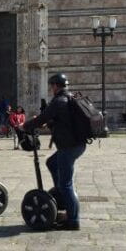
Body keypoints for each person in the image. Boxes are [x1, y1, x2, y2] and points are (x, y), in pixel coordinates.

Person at [20, 73, 85, 231]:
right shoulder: (69, 98)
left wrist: (25, 126)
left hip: (68, 147)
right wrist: (47, 122)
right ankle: (62, 195)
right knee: (51, 162)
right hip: (77, 145)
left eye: (52, 86)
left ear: (55, 86)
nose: (51, 89)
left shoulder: (59, 101)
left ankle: (73, 219)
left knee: (66, 184)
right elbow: (59, 120)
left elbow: (42, 118)